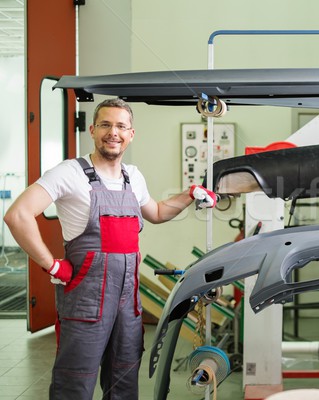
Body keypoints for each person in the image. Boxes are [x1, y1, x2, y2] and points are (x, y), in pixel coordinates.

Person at [3, 98, 217, 399]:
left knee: (124, 380)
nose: (112, 132)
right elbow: (17, 215)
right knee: (75, 381)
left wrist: (189, 194)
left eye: (120, 126)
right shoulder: (69, 172)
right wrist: (51, 265)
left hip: (127, 303)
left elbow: (155, 212)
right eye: (105, 124)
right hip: (85, 301)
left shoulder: (133, 177)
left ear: (131, 134)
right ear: (92, 129)